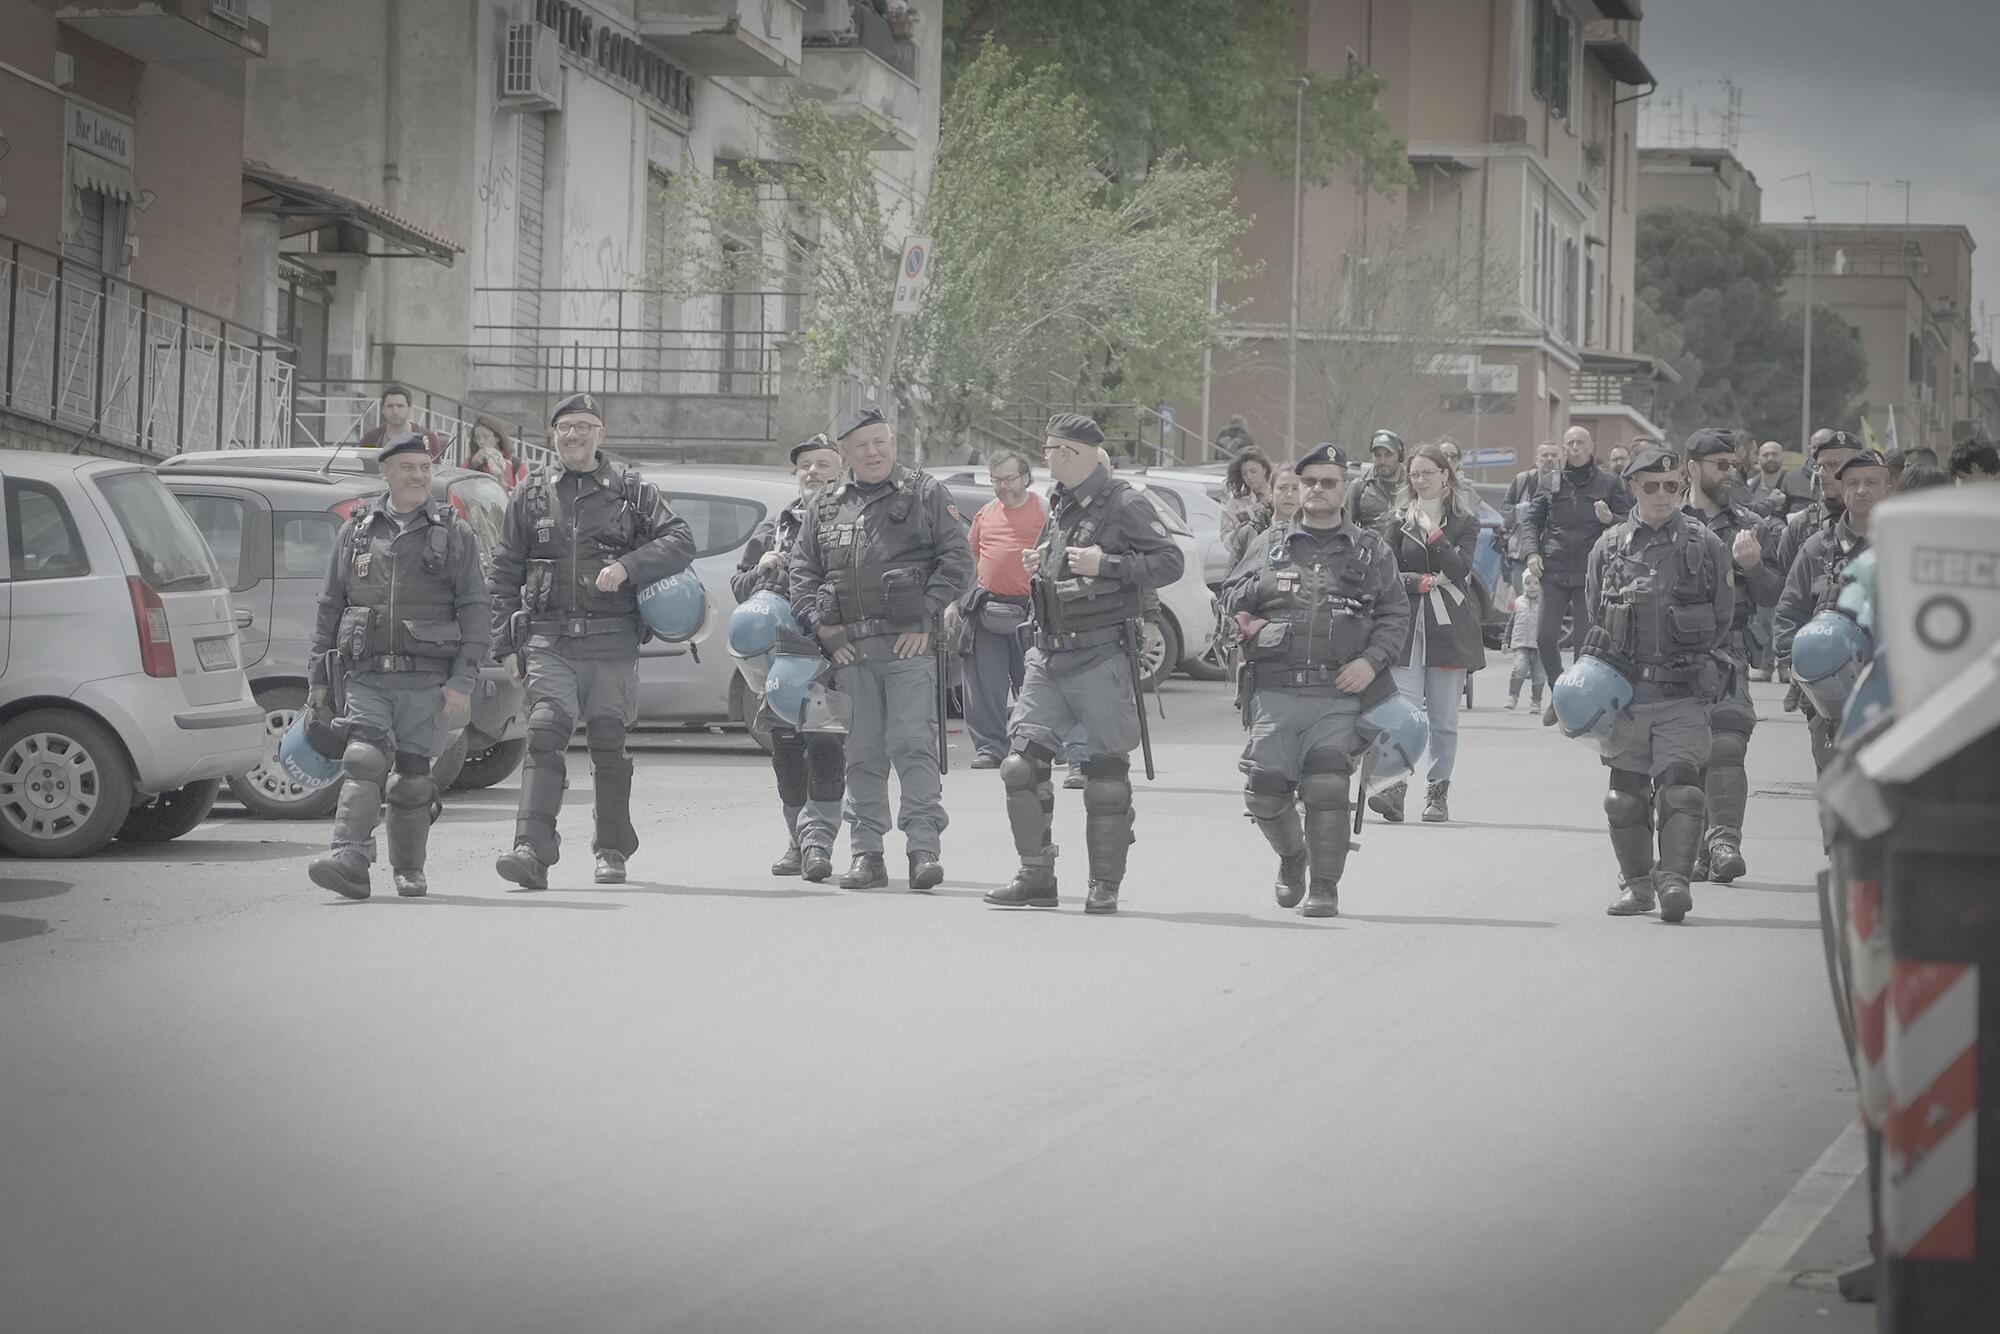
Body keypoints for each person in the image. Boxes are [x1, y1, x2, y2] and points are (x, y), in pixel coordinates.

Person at [490, 393, 697, 890]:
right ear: (553, 435)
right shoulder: (530, 492)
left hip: (611, 640)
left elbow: (681, 539)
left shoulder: (631, 489)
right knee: (543, 735)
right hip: (549, 639)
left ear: (601, 433)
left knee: (607, 743)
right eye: (565, 427)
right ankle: (531, 850)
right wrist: (504, 644)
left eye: (584, 426)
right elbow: (503, 572)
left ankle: (611, 850)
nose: (575, 436)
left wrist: (628, 566)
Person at [985, 416, 1184, 915]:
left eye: (1050, 449)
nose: (1044, 457)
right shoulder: (1063, 500)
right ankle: (1036, 877)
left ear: (1073, 452)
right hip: (1049, 655)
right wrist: (1043, 563)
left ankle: (1104, 883)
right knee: (1019, 767)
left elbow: (1168, 562)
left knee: (1106, 776)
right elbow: (1069, 561)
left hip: (1100, 655)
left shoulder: (1125, 502)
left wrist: (1108, 565)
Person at [791, 403, 973, 891]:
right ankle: (867, 854)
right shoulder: (826, 504)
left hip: (909, 647)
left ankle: (923, 851)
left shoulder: (925, 493)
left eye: (880, 442)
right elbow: (803, 572)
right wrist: (824, 630)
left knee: (914, 746)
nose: (872, 452)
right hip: (852, 651)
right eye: (861, 445)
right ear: (846, 452)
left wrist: (926, 613)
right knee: (864, 754)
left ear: (893, 443)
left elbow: (958, 561)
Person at [1225, 443, 1411, 918]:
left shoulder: (1370, 550)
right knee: (1264, 791)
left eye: (1329, 482)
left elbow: (1394, 614)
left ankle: (1325, 887)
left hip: (1339, 692)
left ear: (1344, 486)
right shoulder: (1270, 544)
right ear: (1296, 486)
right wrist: (1250, 622)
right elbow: (1231, 599)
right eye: (1310, 482)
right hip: (1275, 689)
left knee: (1327, 788)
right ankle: (1293, 858)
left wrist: (1370, 661)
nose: (1318, 490)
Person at [304, 432, 490, 899]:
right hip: (366, 676)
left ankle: (409, 869)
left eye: (425, 467)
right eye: (408, 467)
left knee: (411, 780)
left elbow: (475, 609)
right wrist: (317, 679)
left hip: (427, 679)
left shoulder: (454, 532)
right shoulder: (358, 529)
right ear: (385, 472)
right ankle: (349, 855)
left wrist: (463, 678)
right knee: (362, 759)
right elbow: (331, 604)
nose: (419, 476)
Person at [1583, 444, 1735, 924]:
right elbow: (1593, 614)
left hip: (1681, 693)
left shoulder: (1705, 544)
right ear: (1632, 488)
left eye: (1673, 486)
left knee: (1681, 791)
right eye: (1652, 486)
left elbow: (1724, 616)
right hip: (1627, 697)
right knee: (1624, 797)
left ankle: (1675, 881)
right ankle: (1638, 886)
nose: (1664, 494)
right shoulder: (1607, 547)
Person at [733, 434, 847, 879]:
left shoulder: (848, 522)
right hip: (777, 660)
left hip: (826, 657)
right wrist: (762, 569)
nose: (813, 472)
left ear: (840, 473)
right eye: (805, 466)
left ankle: (819, 842)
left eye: (822, 464)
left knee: (824, 746)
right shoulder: (774, 528)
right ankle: (795, 841)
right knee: (786, 750)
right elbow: (739, 588)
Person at [1682, 429, 1782, 884]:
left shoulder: (1749, 524)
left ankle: (1724, 843)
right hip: (1671, 653)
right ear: (1692, 468)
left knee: (1726, 746)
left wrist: (1754, 565)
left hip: (1729, 650)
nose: (1730, 473)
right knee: (1681, 757)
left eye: (1732, 465)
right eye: (1720, 465)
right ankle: (1693, 849)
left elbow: (1773, 595)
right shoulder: (1665, 518)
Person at [1369, 444, 1482, 825]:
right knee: (1403, 714)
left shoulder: (1465, 521)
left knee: (1444, 718)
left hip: (1449, 627)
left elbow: (1461, 569)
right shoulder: (1397, 518)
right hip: (1407, 623)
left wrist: (1434, 535)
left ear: (1444, 476)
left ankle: (1438, 792)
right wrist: (1418, 580)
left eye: (1427, 473)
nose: (1419, 481)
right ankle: (1395, 787)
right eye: (1414, 475)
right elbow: (1384, 571)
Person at [1775, 451, 1888, 773]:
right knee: (1836, 787)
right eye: (1853, 483)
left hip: (1886, 692)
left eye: (1871, 482)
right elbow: (1788, 612)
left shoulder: (1903, 546)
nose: (1862, 490)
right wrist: (1800, 672)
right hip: (1828, 698)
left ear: (1889, 488)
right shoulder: (1816, 547)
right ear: (1843, 489)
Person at [1525, 424, 1630, 723]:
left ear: (1591, 446)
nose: (1574, 448)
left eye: (1580, 442)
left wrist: (1611, 519)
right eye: (1569, 443)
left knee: (1585, 644)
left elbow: (1629, 524)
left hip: (1591, 573)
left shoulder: (1609, 482)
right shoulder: (1550, 480)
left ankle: (1577, 703)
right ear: (1563, 448)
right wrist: (1532, 552)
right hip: (1554, 568)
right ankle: (1559, 693)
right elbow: (1532, 521)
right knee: (1545, 638)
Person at [952, 450, 1044, 768]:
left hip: (1033, 612)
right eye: (996, 480)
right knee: (984, 685)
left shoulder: (1044, 509)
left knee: (1034, 682)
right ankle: (991, 747)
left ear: (1025, 477)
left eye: (1009, 478)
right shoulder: (985, 513)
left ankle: (1039, 743)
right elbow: (971, 558)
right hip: (987, 609)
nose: (1003, 486)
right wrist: (958, 601)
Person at [1503, 441, 1561, 590]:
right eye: (1545, 455)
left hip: (1553, 557)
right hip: (1521, 555)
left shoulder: (1565, 483)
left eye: (1554, 455)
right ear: (1536, 460)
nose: (1549, 459)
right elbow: (1504, 511)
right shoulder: (1522, 480)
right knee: (1522, 603)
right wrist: (1523, 510)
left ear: (1560, 459)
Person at [1220, 446, 1276, 563]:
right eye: (1244, 474)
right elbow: (1225, 539)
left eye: (1253, 471)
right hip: (1246, 562)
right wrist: (1237, 534)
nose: (1249, 477)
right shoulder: (1235, 504)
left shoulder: (1278, 495)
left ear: (1264, 469)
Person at [358, 384, 445, 459]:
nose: (395, 411)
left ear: (409, 408)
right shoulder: (370, 439)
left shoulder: (428, 439)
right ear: (383, 409)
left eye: (400, 406)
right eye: (390, 406)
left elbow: (435, 472)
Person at [1347, 428, 1405, 533]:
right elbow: (1346, 527)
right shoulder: (1360, 487)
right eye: (1377, 455)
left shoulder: (1413, 485)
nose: (1382, 461)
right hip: (1371, 547)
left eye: (1388, 454)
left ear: (1399, 456)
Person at [1506, 571, 1545, 711]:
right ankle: (1513, 696)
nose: (1532, 586)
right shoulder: (1518, 603)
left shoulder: (1545, 603)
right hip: (1521, 643)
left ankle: (1536, 701)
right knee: (1519, 668)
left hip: (1539, 646)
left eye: (1536, 583)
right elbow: (1511, 623)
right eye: (1528, 583)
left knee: (1539, 675)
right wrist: (1506, 640)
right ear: (1523, 586)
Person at [464, 416, 527, 491]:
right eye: (477, 438)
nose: (481, 442)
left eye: (486, 437)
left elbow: (523, 493)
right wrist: (472, 466)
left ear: (497, 438)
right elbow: (460, 489)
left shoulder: (516, 465)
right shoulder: (470, 462)